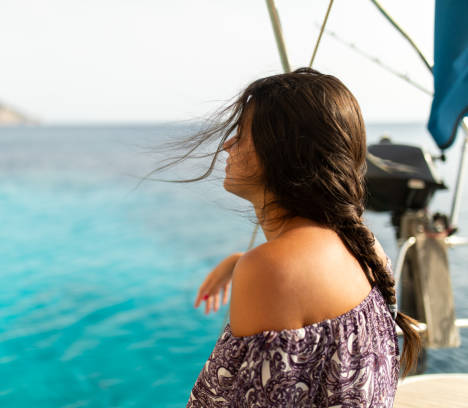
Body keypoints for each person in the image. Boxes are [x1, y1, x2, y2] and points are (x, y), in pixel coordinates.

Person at [145, 67, 420, 406]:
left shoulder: (272, 271)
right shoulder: (362, 245)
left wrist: (254, 267)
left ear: (284, 152)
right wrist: (237, 262)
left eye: (242, 134)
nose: (228, 145)